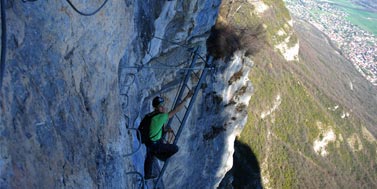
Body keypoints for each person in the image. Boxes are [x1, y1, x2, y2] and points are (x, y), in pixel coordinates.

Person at [144, 91, 193, 179]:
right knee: (175, 148)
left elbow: (154, 129)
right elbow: (176, 110)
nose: (163, 107)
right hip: (155, 144)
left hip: (148, 141)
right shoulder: (161, 117)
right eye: (160, 106)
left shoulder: (152, 115)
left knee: (149, 156)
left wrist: (165, 130)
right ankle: (161, 156)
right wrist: (186, 98)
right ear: (156, 108)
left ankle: (147, 174)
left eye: (163, 105)